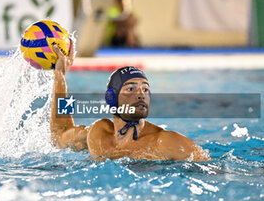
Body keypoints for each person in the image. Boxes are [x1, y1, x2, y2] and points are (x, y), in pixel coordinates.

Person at [50, 42, 211, 162]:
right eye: (130, 89)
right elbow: (59, 134)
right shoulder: (98, 133)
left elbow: (213, 171)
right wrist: (60, 77)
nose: (141, 95)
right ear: (111, 98)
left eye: (145, 89)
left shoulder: (166, 141)